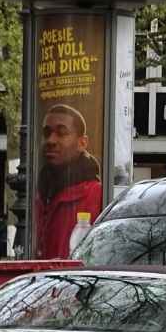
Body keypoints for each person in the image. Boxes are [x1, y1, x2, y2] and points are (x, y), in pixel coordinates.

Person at [34, 104, 102, 259]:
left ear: (82, 143)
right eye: (46, 133)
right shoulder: (38, 197)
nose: (51, 140)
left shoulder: (97, 196)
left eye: (61, 133)